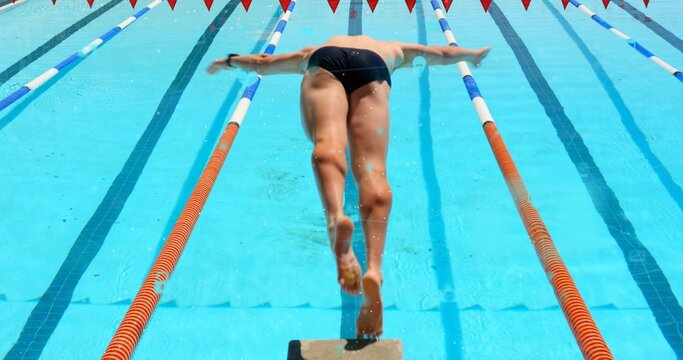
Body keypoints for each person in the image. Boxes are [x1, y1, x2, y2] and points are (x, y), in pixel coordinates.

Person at [207, 35, 490, 338]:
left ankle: (334, 219)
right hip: (375, 66)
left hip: (324, 63)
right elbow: (440, 52)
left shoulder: (312, 48)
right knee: (372, 171)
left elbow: (264, 63)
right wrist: (472, 53)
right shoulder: (393, 48)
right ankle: (374, 272)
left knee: (327, 143)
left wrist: (229, 61)